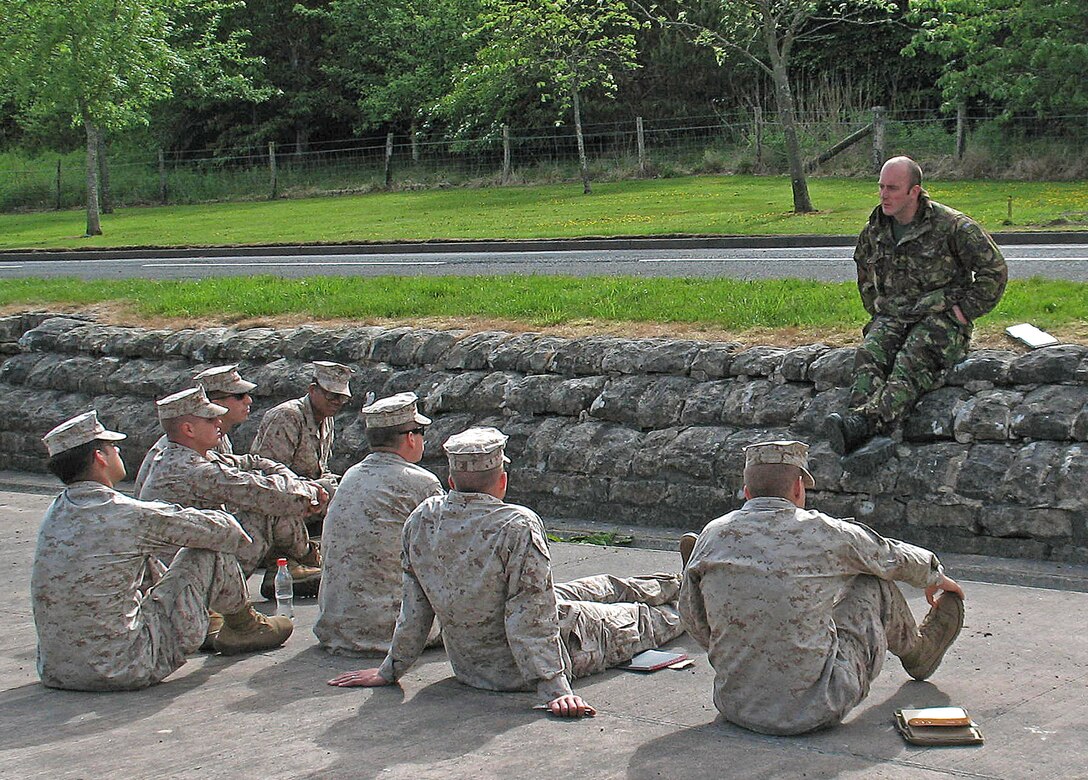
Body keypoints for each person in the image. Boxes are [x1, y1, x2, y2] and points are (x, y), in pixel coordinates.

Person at [326, 427, 684, 718]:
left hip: (472, 666)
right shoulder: (516, 524)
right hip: (527, 664)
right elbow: (530, 613)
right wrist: (553, 686)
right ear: (502, 481)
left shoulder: (422, 519)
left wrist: (390, 670)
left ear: (451, 481)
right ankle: (692, 596)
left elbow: (415, 608)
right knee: (642, 619)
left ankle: (681, 580)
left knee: (595, 587)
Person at [679, 440, 965, 736]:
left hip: (735, 705)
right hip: (817, 707)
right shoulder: (824, 531)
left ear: (747, 492)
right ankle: (920, 651)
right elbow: (890, 556)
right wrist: (937, 576)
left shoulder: (712, 534)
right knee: (873, 581)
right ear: (798, 488)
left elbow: (692, 617)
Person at [31, 411, 293, 691]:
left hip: (57, 670)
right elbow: (226, 532)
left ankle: (218, 622)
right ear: (100, 458)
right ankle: (244, 625)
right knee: (209, 550)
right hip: (125, 667)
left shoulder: (56, 511)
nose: (118, 450)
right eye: (112, 447)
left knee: (142, 558)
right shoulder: (124, 512)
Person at [826, 156, 1007, 457]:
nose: (884, 195)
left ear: (915, 191)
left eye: (893, 188)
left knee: (912, 359)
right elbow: (862, 266)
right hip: (895, 315)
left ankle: (865, 424)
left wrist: (963, 312)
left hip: (941, 318)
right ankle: (861, 429)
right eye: (881, 187)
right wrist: (877, 309)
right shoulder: (876, 228)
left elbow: (994, 271)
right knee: (869, 353)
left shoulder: (953, 226)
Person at [138, 387, 327, 601]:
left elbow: (252, 462)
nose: (218, 422)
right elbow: (258, 490)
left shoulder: (192, 456)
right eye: (210, 420)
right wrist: (310, 493)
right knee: (269, 504)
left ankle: (289, 567)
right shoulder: (191, 469)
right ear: (188, 429)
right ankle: (235, 615)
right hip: (180, 580)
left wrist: (296, 483)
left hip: (189, 565)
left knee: (277, 497)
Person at [315, 392, 444, 656]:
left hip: (337, 629)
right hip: (393, 632)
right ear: (410, 438)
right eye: (420, 432)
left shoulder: (351, 475)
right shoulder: (422, 483)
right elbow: (447, 553)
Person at [134, 364, 260, 495]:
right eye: (239, 396)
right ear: (217, 403)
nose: (249, 400)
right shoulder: (181, 445)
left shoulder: (218, 437)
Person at [250, 360, 353, 504]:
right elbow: (270, 474)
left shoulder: (326, 418)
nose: (337, 402)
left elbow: (320, 468)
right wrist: (317, 488)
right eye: (331, 395)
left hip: (309, 497)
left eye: (342, 397)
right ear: (312, 390)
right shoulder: (287, 416)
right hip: (280, 501)